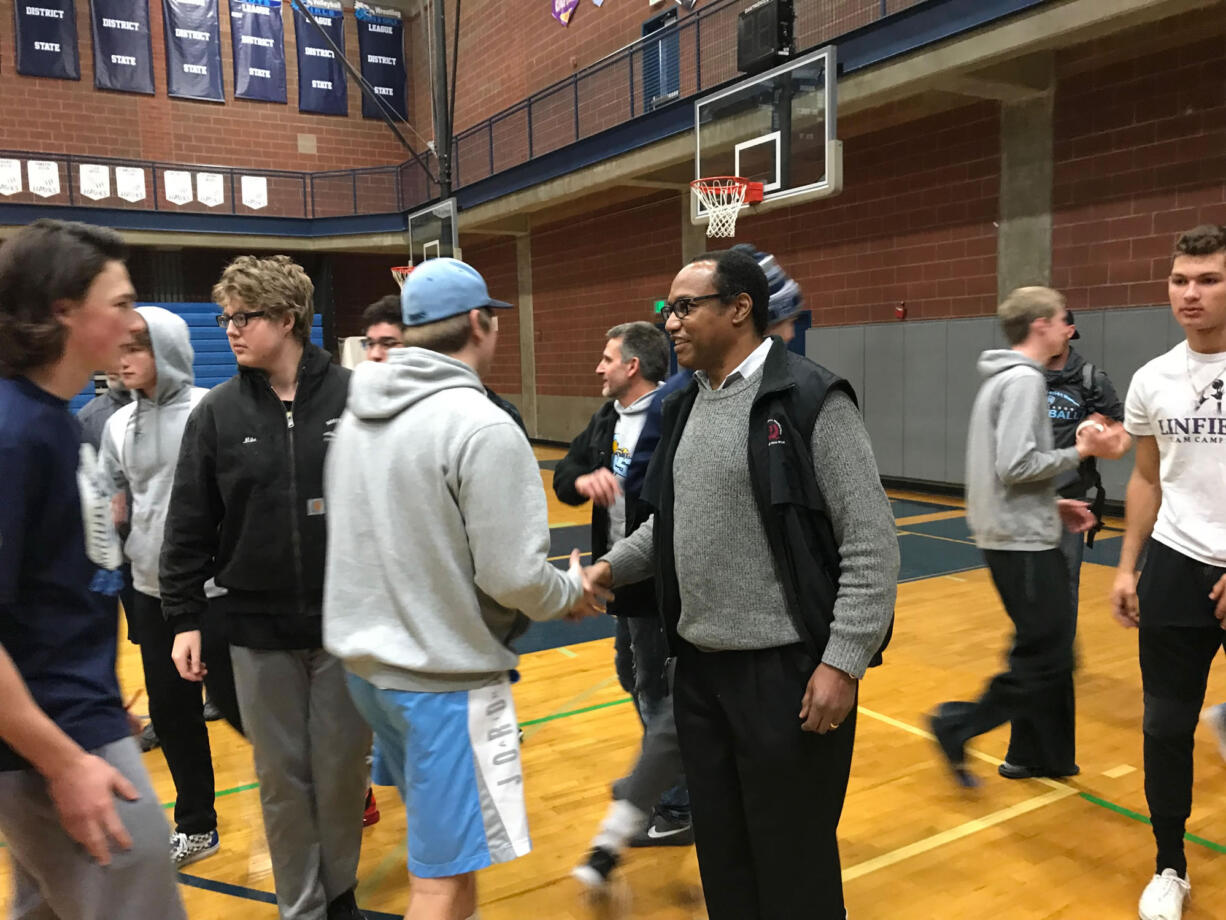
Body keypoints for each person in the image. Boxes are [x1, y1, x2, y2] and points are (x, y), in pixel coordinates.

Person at [586, 248, 899, 920]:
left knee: (794, 866)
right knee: (725, 858)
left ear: (738, 309)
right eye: (668, 309)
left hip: (784, 677)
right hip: (699, 675)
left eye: (684, 307)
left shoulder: (812, 399)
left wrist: (843, 661)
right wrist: (607, 569)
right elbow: (667, 526)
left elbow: (871, 542)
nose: (670, 322)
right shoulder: (684, 409)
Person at [323, 257, 607, 920]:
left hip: (370, 674)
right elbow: (511, 576)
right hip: (441, 682)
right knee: (441, 882)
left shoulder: (357, 414)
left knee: (455, 859)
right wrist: (569, 591)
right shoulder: (480, 425)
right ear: (481, 324)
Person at [160, 255, 371, 920]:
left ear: (286, 319)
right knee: (282, 783)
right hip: (254, 631)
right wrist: (185, 616)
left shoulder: (355, 398)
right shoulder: (217, 414)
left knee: (341, 779)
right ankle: (301, 907)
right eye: (225, 317)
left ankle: (340, 894)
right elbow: (190, 521)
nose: (229, 329)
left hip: (346, 627)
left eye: (242, 317)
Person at [0, 218, 187, 919]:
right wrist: (65, 761)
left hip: (75, 719)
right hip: (59, 747)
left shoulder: (57, 418)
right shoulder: (13, 435)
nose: (134, 320)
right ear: (63, 312)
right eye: (121, 301)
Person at [930, 287, 1119, 787]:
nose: (1068, 328)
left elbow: (1002, 470)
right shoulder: (1023, 382)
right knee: (1048, 653)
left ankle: (1046, 756)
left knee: (1048, 650)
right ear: (1040, 326)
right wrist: (1081, 451)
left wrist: (1050, 504)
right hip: (1020, 541)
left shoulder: (1002, 380)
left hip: (1016, 529)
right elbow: (1017, 466)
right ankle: (957, 724)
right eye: (1062, 320)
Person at [97, 306, 241, 867]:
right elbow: (110, 501)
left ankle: (338, 786)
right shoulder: (116, 424)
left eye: (136, 347)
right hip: (150, 592)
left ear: (166, 350)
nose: (123, 359)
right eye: (120, 348)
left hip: (219, 594)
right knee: (173, 712)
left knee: (248, 710)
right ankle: (197, 824)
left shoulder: (211, 411)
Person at [1110, 224, 1226, 920]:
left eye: (1208, 279)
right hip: (1177, 568)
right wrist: (1127, 567)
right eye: (1181, 280)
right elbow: (1147, 479)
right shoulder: (1153, 379)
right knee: (1165, 728)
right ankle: (1169, 866)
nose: (1192, 293)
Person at [553, 322, 694, 887]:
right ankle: (655, 777)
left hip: (657, 583)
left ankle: (677, 802)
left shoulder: (674, 412)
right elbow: (565, 474)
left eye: (607, 359)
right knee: (629, 672)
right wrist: (584, 481)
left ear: (633, 366)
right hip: (620, 581)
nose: (599, 368)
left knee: (656, 687)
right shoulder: (607, 420)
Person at [1044, 308, 1130, 615]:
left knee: (1063, 590)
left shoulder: (1090, 379)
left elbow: (1122, 425)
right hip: (1028, 499)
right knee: (1027, 591)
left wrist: (1099, 427)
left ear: (1069, 331)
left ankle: (1059, 655)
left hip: (1071, 498)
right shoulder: (1024, 377)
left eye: (1052, 326)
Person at [361, 290, 527, 434]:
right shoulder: (357, 414)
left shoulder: (493, 416)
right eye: (370, 343)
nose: (375, 354)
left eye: (388, 343)